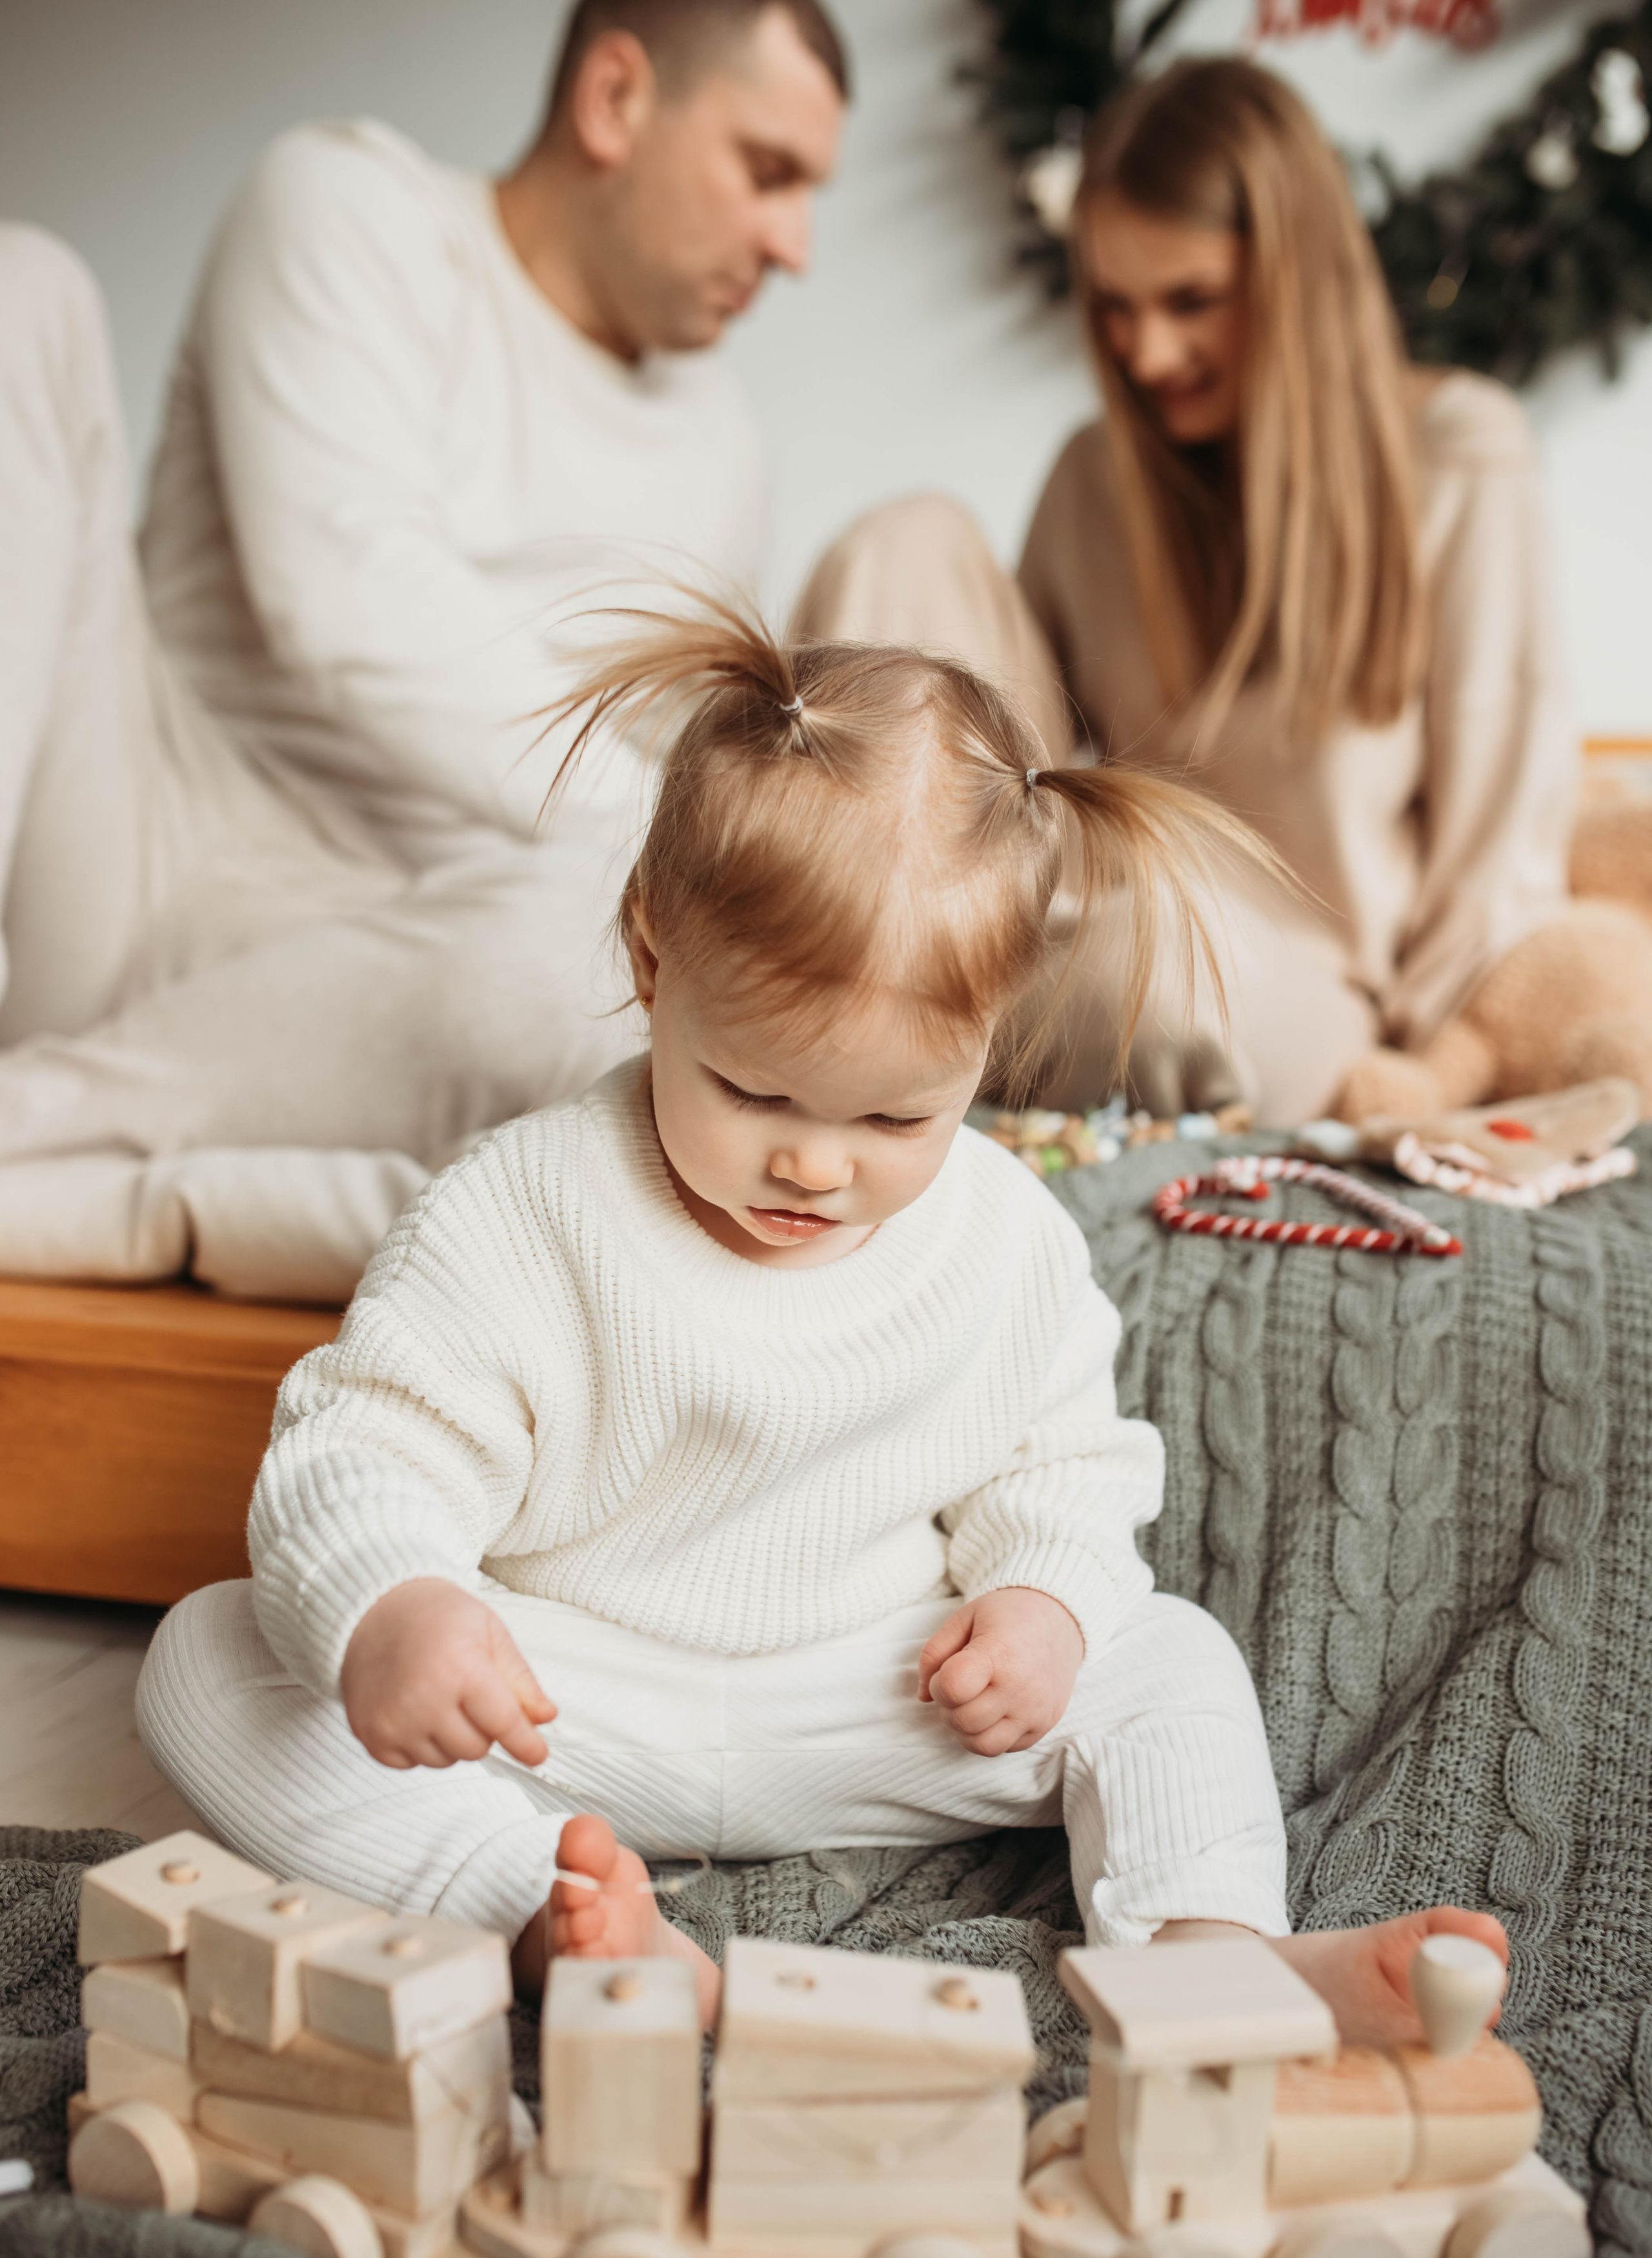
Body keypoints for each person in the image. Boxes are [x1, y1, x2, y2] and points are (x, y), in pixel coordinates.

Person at [137, 604, 1507, 2047]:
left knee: (1163, 1657)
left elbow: (1065, 1471)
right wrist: (394, 1606)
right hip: (565, 1707)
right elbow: (370, 1444)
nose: (815, 1164)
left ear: (985, 1045)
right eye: (754, 1092)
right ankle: (541, 1915)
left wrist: (1040, 1605)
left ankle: (1203, 1949)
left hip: (877, 1698)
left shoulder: (1005, 1237)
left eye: (893, 1115)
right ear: (652, 958)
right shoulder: (518, 1209)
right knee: (212, 1660)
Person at [0, 0, 846, 1177]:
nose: (796, 244)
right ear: (615, 100)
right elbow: (344, 608)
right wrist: (697, 836)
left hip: (377, 1000)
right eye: (768, 173)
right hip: (119, 870)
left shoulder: (727, 453)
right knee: (19, 293)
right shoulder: (353, 207)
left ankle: (37, 1128)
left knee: (615, 936)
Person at [796, 59, 1575, 1127]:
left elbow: (1499, 844)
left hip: (1280, 983)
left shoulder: (1460, 457)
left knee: (1153, 985)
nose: (1147, 352)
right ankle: (822, 967)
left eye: (1191, 301)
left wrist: (1436, 1074)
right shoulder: (1093, 479)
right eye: (1115, 307)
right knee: (903, 539)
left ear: (1293, 281)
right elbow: (1016, 758)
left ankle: (906, 1034)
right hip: (1070, 919)